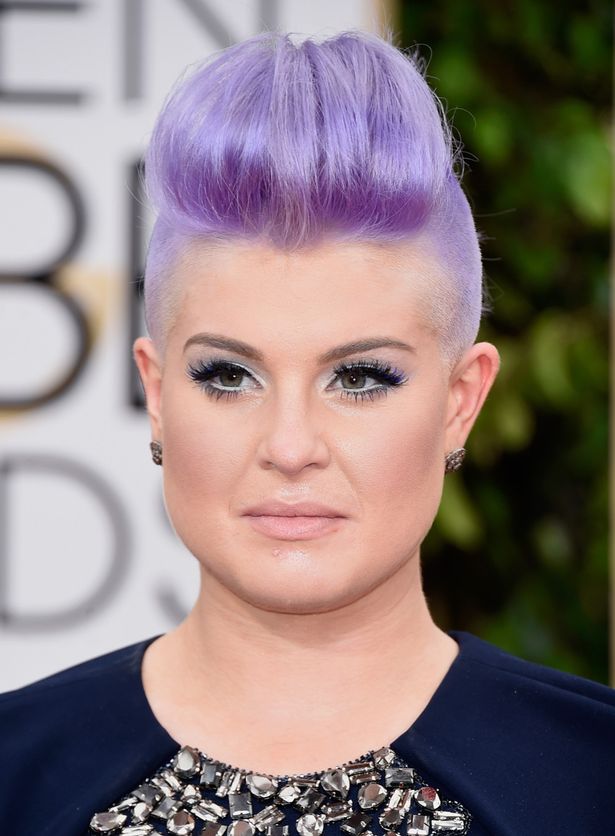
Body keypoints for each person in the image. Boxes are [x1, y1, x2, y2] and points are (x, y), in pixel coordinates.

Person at [0, 28, 613, 836]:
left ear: (461, 401)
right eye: (227, 376)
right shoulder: (16, 774)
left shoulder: (592, 776)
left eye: (359, 379)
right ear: (155, 393)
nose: (289, 446)